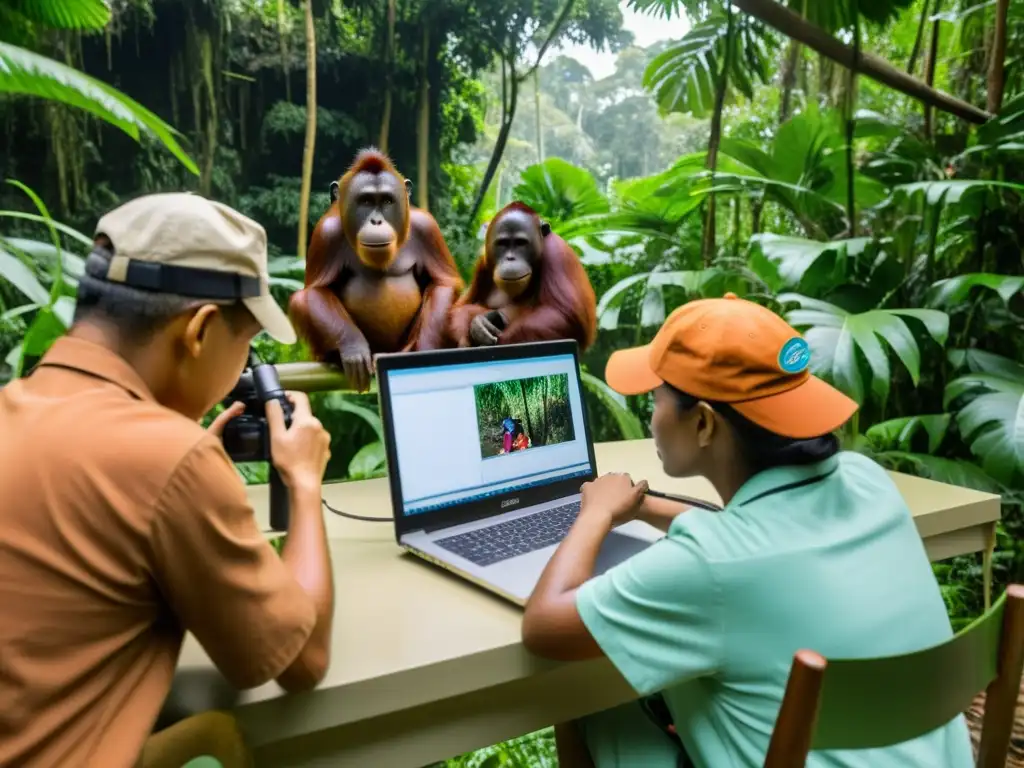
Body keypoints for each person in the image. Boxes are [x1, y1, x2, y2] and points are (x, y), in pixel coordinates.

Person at [521, 293, 974, 768]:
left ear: (702, 423)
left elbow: (544, 626)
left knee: (588, 697)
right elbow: (760, 540)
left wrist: (594, 513)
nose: (651, 415)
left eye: (655, 398)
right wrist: (640, 506)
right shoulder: (867, 481)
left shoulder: (711, 566)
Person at [0, 193, 335, 768]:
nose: (245, 362)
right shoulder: (171, 459)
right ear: (201, 331)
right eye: (246, 343)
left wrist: (178, 443)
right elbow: (301, 661)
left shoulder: (16, 405)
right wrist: (303, 482)